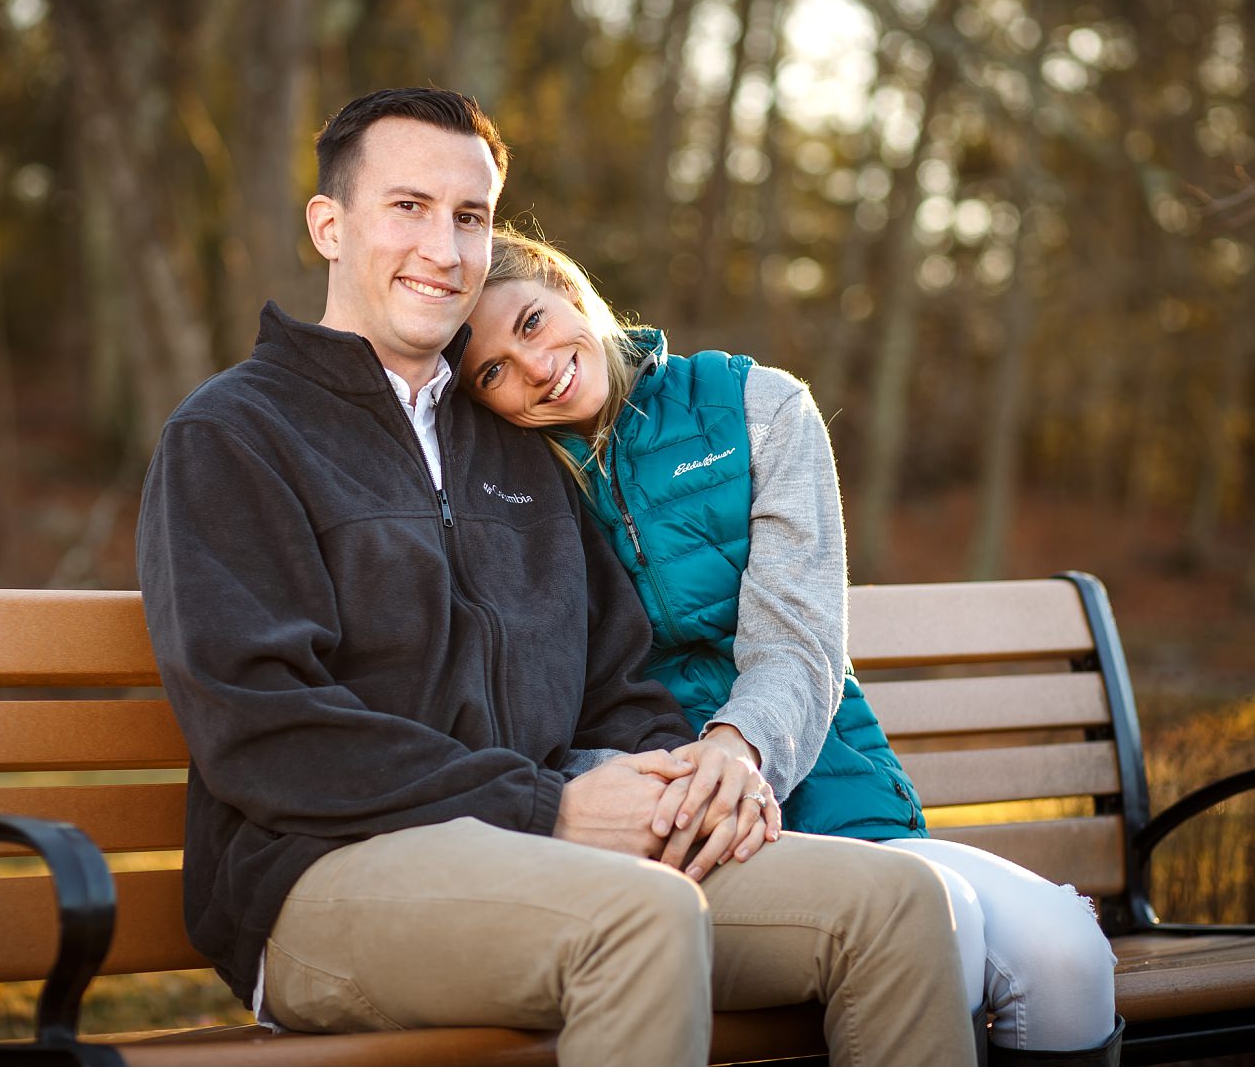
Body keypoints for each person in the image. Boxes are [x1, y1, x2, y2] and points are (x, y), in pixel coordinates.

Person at [136, 87, 978, 1067]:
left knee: (895, 903)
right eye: (408, 206)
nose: (444, 249)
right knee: (641, 917)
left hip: (553, 853)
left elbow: (616, 678)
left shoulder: (516, 446)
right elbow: (264, 728)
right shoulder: (236, 435)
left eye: (470, 216)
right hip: (320, 872)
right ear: (329, 224)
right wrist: (551, 806)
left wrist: (676, 784)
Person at [459, 226, 1125, 1067]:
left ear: (564, 285)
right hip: (667, 831)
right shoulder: (498, 486)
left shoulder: (755, 405)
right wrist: (658, 788)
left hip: (829, 794)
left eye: (529, 324)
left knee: (1063, 951)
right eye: (493, 374)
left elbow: (799, 639)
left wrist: (738, 751)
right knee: (932, 938)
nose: (534, 368)